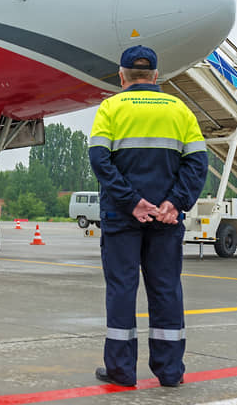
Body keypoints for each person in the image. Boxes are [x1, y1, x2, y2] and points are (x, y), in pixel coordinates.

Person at [88, 45, 207, 388]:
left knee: (122, 290)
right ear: (156, 76)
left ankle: (121, 371)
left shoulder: (111, 107)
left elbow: (99, 160)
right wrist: (175, 202)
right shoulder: (179, 110)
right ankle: (170, 372)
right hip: (166, 219)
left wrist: (131, 202)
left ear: (121, 76)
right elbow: (198, 162)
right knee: (166, 290)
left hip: (121, 216)